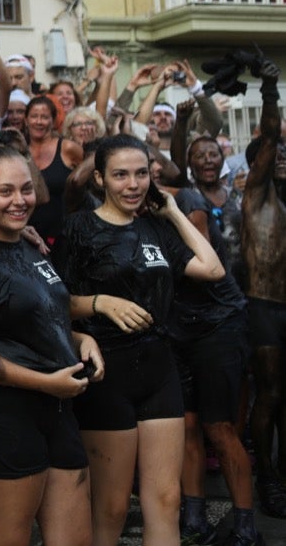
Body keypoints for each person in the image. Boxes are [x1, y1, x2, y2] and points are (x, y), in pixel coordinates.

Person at [63, 135, 225, 545]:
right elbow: (52, 302)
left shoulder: (156, 226)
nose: (133, 184)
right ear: (100, 178)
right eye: (120, 175)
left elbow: (212, 269)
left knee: (167, 498)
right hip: (106, 375)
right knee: (113, 506)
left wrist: (172, 212)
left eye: (141, 174)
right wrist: (99, 303)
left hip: (159, 369)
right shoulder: (80, 227)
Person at [0, 145, 102, 546]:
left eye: (26, 189)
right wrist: (44, 382)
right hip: (2, 418)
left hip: (57, 409)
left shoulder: (29, 245)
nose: (20, 201)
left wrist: (81, 338)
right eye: (6, 192)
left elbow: (40, 318)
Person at [168, 135, 260, 545]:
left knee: (219, 428)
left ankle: (245, 525)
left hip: (218, 325)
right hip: (178, 329)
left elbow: (200, 265)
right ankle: (194, 518)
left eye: (145, 174)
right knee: (186, 427)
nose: (135, 183)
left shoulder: (188, 201)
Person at [239, 61, 286, 518]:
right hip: (264, 307)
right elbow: (272, 136)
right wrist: (270, 89)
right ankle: (267, 478)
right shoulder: (257, 195)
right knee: (269, 394)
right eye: (276, 155)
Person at [26, 96, 83, 251]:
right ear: (26, 120)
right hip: (27, 235)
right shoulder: (18, 150)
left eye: (44, 117)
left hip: (64, 237)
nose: (38, 122)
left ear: (53, 121)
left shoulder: (68, 148)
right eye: (34, 116)